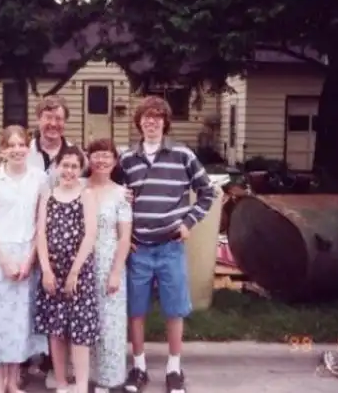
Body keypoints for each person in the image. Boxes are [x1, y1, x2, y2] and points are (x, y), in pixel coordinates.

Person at [0, 95, 83, 388]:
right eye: (48, 117)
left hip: (49, 245)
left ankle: (50, 365)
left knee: (37, 310)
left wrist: (120, 194)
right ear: (38, 120)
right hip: (9, 250)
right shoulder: (6, 170)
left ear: (65, 121)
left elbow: (86, 182)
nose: (53, 123)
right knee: (10, 314)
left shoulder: (71, 153)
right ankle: (14, 373)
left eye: (59, 118)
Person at [120, 96, 215, 393]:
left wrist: (188, 223)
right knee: (136, 310)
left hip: (170, 247)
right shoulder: (127, 159)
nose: (151, 121)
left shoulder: (182, 155)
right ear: (139, 122)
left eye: (157, 116)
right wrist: (124, 234)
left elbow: (207, 192)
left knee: (174, 310)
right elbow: (113, 196)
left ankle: (174, 368)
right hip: (138, 248)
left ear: (165, 122)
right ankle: (139, 368)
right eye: (146, 117)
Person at [0, 125, 49, 393]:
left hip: (27, 253)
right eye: (11, 145)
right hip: (0, 256)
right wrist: (4, 261)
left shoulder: (40, 178)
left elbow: (41, 224)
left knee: (19, 320)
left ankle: (13, 380)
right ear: (3, 150)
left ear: (29, 148)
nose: (17, 150)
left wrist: (30, 260)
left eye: (22, 144)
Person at [33, 145, 99, 393]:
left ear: (80, 169)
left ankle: (80, 385)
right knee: (56, 330)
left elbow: (90, 234)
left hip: (79, 272)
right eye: (65, 165)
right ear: (56, 167)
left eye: (74, 166)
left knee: (80, 330)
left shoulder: (86, 195)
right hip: (53, 271)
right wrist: (46, 270)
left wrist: (74, 272)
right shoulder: (48, 195)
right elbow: (41, 234)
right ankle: (61, 383)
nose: (69, 171)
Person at [84, 139, 132, 393]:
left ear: (115, 161)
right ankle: (83, 377)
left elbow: (124, 237)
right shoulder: (78, 186)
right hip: (80, 264)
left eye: (107, 155)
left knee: (109, 323)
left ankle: (108, 379)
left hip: (108, 262)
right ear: (88, 158)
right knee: (82, 320)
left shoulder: (121, 194)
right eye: (96, 155)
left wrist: (115, 272)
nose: (101, 160)